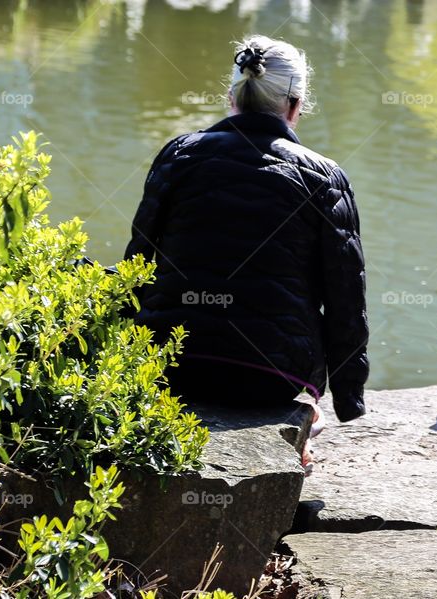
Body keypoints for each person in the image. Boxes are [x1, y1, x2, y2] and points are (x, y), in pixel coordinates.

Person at [124, 35, 368, 423]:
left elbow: (137, 260)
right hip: (271, 376)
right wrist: (349, 397)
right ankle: (306, 428)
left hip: (171, 365)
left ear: (231, 95)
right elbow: (345, 296)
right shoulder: (325, 177)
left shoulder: (179, 153)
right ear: (295, 104)